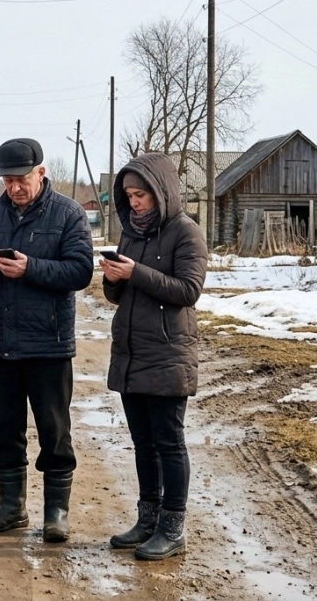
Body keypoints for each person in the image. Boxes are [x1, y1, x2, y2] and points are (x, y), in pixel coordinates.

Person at [0, 138, 94, 543]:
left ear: (42, 171)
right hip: (0, 340)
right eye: (7, 180)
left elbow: (80, 272)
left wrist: (30, 268)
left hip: (49, 342)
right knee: (4, 428)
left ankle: (56, 512)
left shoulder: (69, 214)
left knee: (54, 430)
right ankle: (11, 507)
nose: (13, 188)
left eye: (21, 179)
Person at [99, 153, 207, 561]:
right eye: (128, 195)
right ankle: (147, 519)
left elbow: (188, 291)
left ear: (161, 192)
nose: (135, 202)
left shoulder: (186, 232)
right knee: (142, 443)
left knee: (169, 442)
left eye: (141, 194)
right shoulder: (130, 232)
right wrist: (112, 280)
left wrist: (135, 274)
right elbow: (118, 296)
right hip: (131, 351)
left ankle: (173, 526)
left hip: (167, 352)